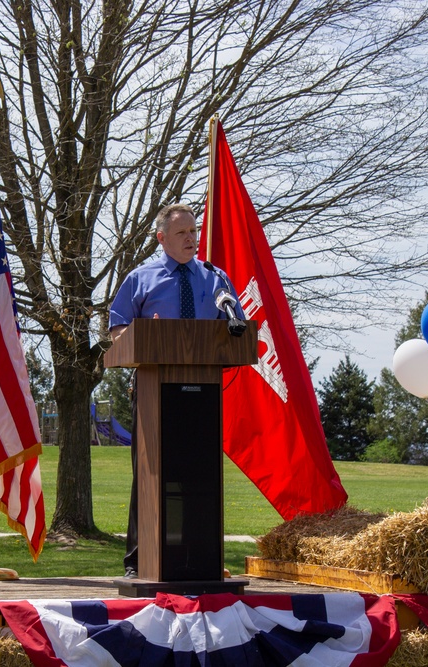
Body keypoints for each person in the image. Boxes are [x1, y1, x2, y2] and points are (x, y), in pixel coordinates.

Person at [109, 203, 244, 579]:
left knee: (199, 476)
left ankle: (198, 558)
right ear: (161, 238)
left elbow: (235, 328)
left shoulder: (215, 278)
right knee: (151, 475)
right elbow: (117, 329)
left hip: (203, 393)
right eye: (183, 233)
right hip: (154, 394)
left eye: (194, 231)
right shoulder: (140, 278)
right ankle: (139, 561)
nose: (192, 239)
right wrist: (142, 338)